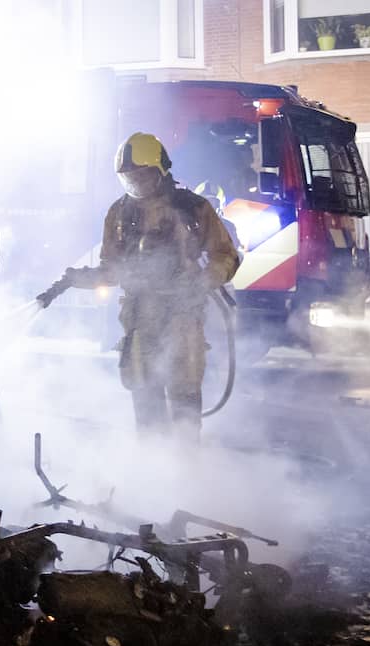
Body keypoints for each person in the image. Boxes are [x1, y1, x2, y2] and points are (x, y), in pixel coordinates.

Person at [38, 133, 240, 438]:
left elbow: (226, 256)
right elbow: (113, 270)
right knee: (144, 394)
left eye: (143, 177)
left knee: (184, 392)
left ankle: (188, 467)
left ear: (160, 171)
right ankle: (151, 466)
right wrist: (77, 279)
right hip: (139, 319)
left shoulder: (193, 209)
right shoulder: (119, 214)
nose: (137, 185)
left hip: (182, 315)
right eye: (130, 179)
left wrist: (204, 280)